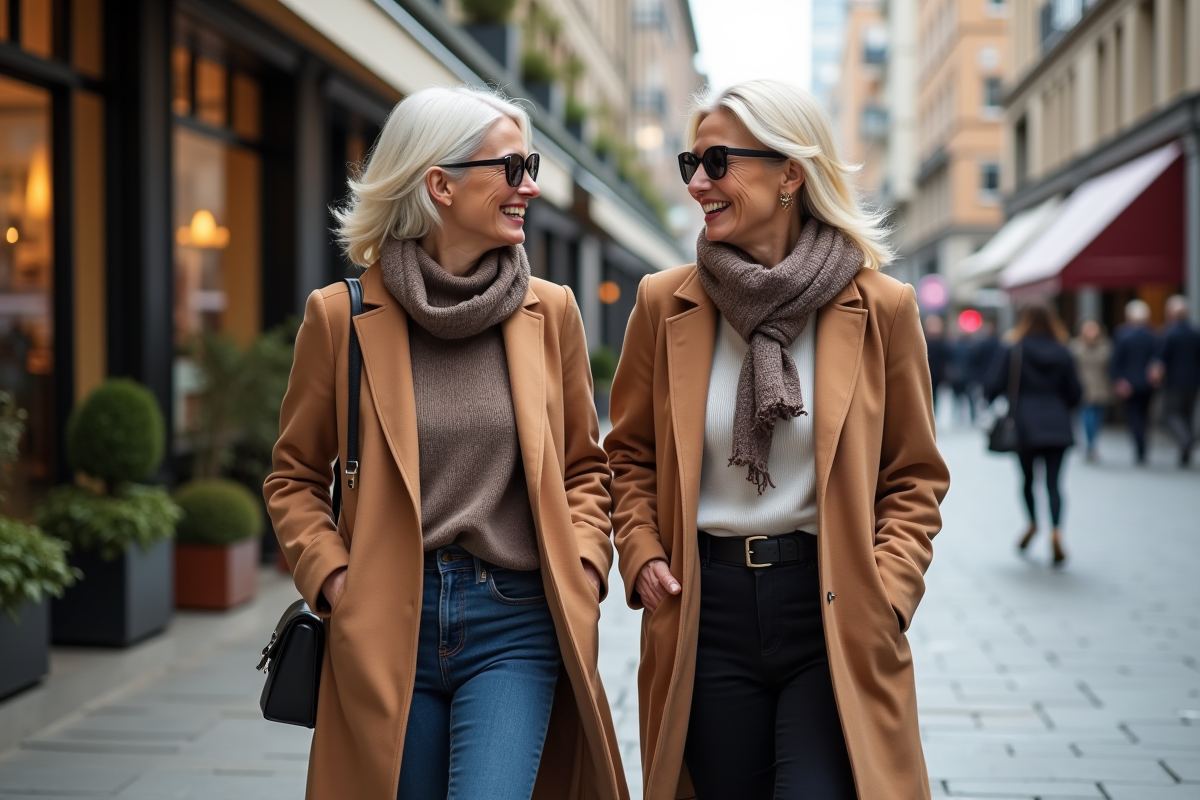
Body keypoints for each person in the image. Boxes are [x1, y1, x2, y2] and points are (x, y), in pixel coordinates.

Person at [263, 87, 627, 800]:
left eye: (532, 165)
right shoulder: (341, 316)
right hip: (386, 614)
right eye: (512, 167)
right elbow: (295, 476)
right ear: (440, 183)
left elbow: (586, 467)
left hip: (515, 622)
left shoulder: (549, 312)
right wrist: (335, 580)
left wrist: (584, 566)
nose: (531, 186)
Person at [605, 79, 950, 800]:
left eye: (719, 161)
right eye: (690, 164)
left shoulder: (881, 307)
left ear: (791, 172)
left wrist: (887, 593)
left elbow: (914, 475)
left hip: (832, 605)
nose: (699, 182)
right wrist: (639, 552)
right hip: (706, 606)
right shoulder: (663, 303)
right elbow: (629, 455)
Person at [985, 303, 1081, 566]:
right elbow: (1076, 391)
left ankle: (1032, 524)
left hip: (1024, 424)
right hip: (1058, 424)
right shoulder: (1063, 350)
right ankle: (1057, 532)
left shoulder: (1014, 349)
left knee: (1028, 480)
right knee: (1054, 483)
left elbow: (993, 385)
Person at [1151, 295, 1200, 466]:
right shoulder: (1195, 332)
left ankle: (1187, 439)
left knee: (1170, 414)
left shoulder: (1169, 333)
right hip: (1193, 381)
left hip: (1174, 382)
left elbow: (1160, 359)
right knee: (1186, 415)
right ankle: (1185, 454)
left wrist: (1156, 374)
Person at [1110, 299, 1158, 464]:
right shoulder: (1152, 334)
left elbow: (1116, 361)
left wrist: (1119, 380)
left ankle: (1140, 447)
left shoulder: (1122, 335)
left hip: (1129, 383)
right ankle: (1143, 446)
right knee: (1144, 416)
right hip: (1147, 383)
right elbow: (1157, 360)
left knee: (1134, 417)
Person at [1069, 319, 1114, 461]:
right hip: (1083, 386)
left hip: (1101, 386)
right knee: (1087, 416)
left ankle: (1092, 442)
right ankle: (1090, 444)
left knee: (1097, 417)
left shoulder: (1105, 346)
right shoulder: (1075, 347)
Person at [967, 320, 1001, 420]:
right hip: (992, 374)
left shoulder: (981, 344)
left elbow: (974, 359)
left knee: (979, 397)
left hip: (982, 374)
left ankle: (979, 415)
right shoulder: (1000, 343)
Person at [924, 313, 950, 412]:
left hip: (937, 374)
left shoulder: (943, 342)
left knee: (934, 395)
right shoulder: (924, 341)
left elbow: (946, 359)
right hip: (926, 372)